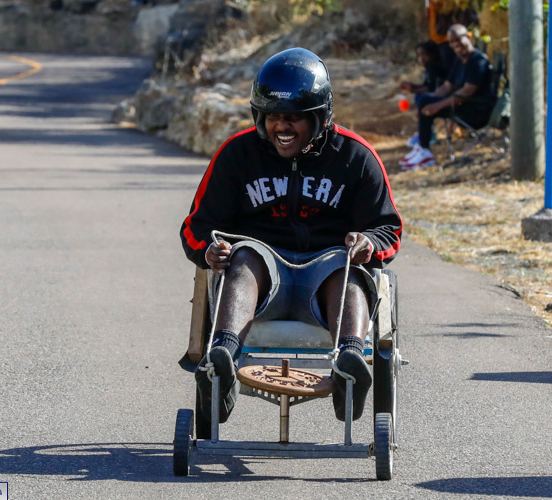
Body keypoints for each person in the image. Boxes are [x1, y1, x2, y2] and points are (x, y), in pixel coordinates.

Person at [180, 48, 402, 424]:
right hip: (262, 279)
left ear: (320, 117)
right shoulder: (237, 154)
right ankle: (223, 360)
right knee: (244, 255)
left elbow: (388, 228)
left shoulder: (356, 157)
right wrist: (209, 251)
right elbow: (196, 226)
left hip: (326, 276)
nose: (281, 127)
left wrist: (368, 244)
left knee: (345, 268)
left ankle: (348, 364)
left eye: (294, 118)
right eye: (272, 117)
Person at [399, 24, 496, 171]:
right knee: (424, 100)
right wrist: (429, 99)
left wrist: (437, 105)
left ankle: (425, 150)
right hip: (464, 105)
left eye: (458, 39)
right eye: (452, 41)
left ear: (468, 37)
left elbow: (466, 92)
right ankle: (423, 147)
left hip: (477, 110)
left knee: (428, 103)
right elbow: (446, 87)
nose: (455, 44)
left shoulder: (478, 60)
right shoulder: (460, 60)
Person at [400, 40, 450, 148]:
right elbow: (426, 85)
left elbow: (430, 89)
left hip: (445, 99)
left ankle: (428, 135)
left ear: (432, 55)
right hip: (438, 96)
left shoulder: (434, 67)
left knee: (422, 99)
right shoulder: (429, 67)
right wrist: (412, 87)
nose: (421, 58)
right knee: (419, 97)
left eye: (424, 54)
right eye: (419, 55)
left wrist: (413, 89)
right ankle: (425, 133)